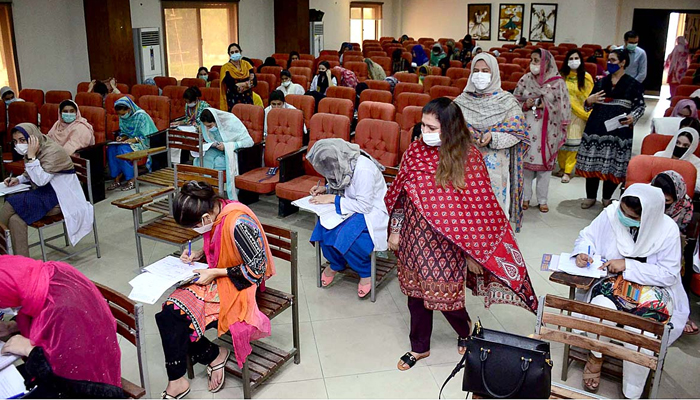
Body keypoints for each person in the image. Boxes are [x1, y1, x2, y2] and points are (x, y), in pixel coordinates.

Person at [385, 98, 537, 371]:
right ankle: (419, 347)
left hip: (448, 244)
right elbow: (400, 197)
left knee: (447, 298)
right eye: (423, 126)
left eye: (432, 128)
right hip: (413, 238)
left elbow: (479, 212)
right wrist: (395, 231)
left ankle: (466, 330)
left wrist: (472, 253)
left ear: (450, 129)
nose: (425, 133)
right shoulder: (414, 152)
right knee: (416, 296)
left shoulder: (469, 158)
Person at [156, 181, 275, 398]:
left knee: (177, 319)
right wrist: (199, 255)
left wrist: (215, 273)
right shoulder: (218, 210)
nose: (195, 231)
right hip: (220, 276)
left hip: (242, 285)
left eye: (194, 227)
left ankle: (185, 376)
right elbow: (220, 244)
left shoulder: (238, 222)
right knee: (168, 314)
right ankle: (210, 357)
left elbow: (257, 269)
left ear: (205, 218)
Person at [571, 184, 688, 396]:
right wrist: (583, 252)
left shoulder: (667, 230)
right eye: (622, 211)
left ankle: (632, 389)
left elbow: (669, 274)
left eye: (631, 216)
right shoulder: (611, 214)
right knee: (601, 309)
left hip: (653, 289)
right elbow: (587, 236)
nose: (623, 217)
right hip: (613, 282)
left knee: (641, 329)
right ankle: (595, 357)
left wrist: (628, 265)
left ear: (649, 217)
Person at [0, 256, 123, 398]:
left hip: (86, 385)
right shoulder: (44, 275)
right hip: (78, 357)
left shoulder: (60, 310)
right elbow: (39, 314)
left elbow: (63, 374)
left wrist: (29, 349)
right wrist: (13, 326)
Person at [454, 53, 529, 230]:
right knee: (466, 209)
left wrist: (493, 137)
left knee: (492, 207)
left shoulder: (507, 102)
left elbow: (517, 132)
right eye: (476, 71)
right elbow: (450, 127)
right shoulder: (461, 102)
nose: (480, 75)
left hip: (495, 165)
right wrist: (467, 135)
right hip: (466, 162)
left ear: (494, 72)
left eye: (485, 71)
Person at [306, 139, 388, 297]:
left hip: (371, 211)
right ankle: (336, 263)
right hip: (350, 206)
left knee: (346, 236)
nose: (329, 169)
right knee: (323, 228)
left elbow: (364, 205)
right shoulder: (346, 163)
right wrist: (326, 189)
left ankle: (365, 273)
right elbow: (345, 184)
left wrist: (332, 199)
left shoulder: (364, 169)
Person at [1, 124, 94, 257]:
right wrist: (19, 179)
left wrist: (32, 157)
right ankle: (22, 263)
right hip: (44, 193)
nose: (19, 144)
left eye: (22, 140)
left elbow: (40, 180)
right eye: (15, 141)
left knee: (11, 202)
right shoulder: (37, 147)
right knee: (15, 220)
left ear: (32, 137)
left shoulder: (52, 151)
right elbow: (31, 172)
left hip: (60, 198)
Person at [576, 49, 645, 209]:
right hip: (596, 129)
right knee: (593, 163)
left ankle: (607, 198)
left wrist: (632, 117)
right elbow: (587, 107)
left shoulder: (633, 84)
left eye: (613, 60)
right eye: (609, 60)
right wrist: (589, 100)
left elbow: (640, 107)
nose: (610, 63)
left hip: (619, 131)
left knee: (613, 164)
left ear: (623, 63)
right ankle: (590, 197)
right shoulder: (600, 81)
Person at [514, 49, 570, 213]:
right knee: (526, 168)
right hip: (528, 128)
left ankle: (543, 200)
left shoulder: (557, 83)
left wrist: (546, 105)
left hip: (548, 130)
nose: (533, 64)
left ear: (546, 62)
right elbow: (515, 101)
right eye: (532, 60)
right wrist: (526, 104)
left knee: (544, 170)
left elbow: (564, 106)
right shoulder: (525, 79)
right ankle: (525, 198)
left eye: (537, 60)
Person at [194, 108, 253, 200]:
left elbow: (249, 142)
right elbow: (212, 139)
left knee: (215, 162)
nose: (208, 129)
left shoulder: (231, 122)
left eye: (210, 126)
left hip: (234, 154)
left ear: (216, 120)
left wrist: (226, 146)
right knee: (199, 160)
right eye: (206, 126)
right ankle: (205, 191)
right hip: (218, 151)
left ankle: (212, 192)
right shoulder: (209, 127)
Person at [557, 49, 594, 183]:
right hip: (561, 114)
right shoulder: (561, 76)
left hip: (579, 114)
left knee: (573, 143)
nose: (573, 61)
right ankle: (561, 167)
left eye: (576, 58)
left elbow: (589, 97)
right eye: (570, 58)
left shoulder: (586, 77)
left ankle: (568, 171)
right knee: (561, 143)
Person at [106, 96, 157, 191]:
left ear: (129, 109)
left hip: (143, 142)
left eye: (123, 113)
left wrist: (134, 139)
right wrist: (122, 137)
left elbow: (148, 135)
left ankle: (131, 179)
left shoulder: (142, 116)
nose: (122, 116)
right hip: (129, 142)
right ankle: (116, 179)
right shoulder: (123, 118)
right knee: (111, 148)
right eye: (119, 114)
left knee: (122, 149)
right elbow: (125, 132)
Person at [220, 43, 255, 111]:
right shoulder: (226, 68)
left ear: (240, 52)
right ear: (229, 54)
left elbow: (254, 82)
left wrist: (240, 85)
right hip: (233, 101)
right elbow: (232, 87)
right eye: (232, 52)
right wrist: (247, 84)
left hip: (248, 99)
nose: (234, 54)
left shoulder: (247, 64)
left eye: (236, 51)